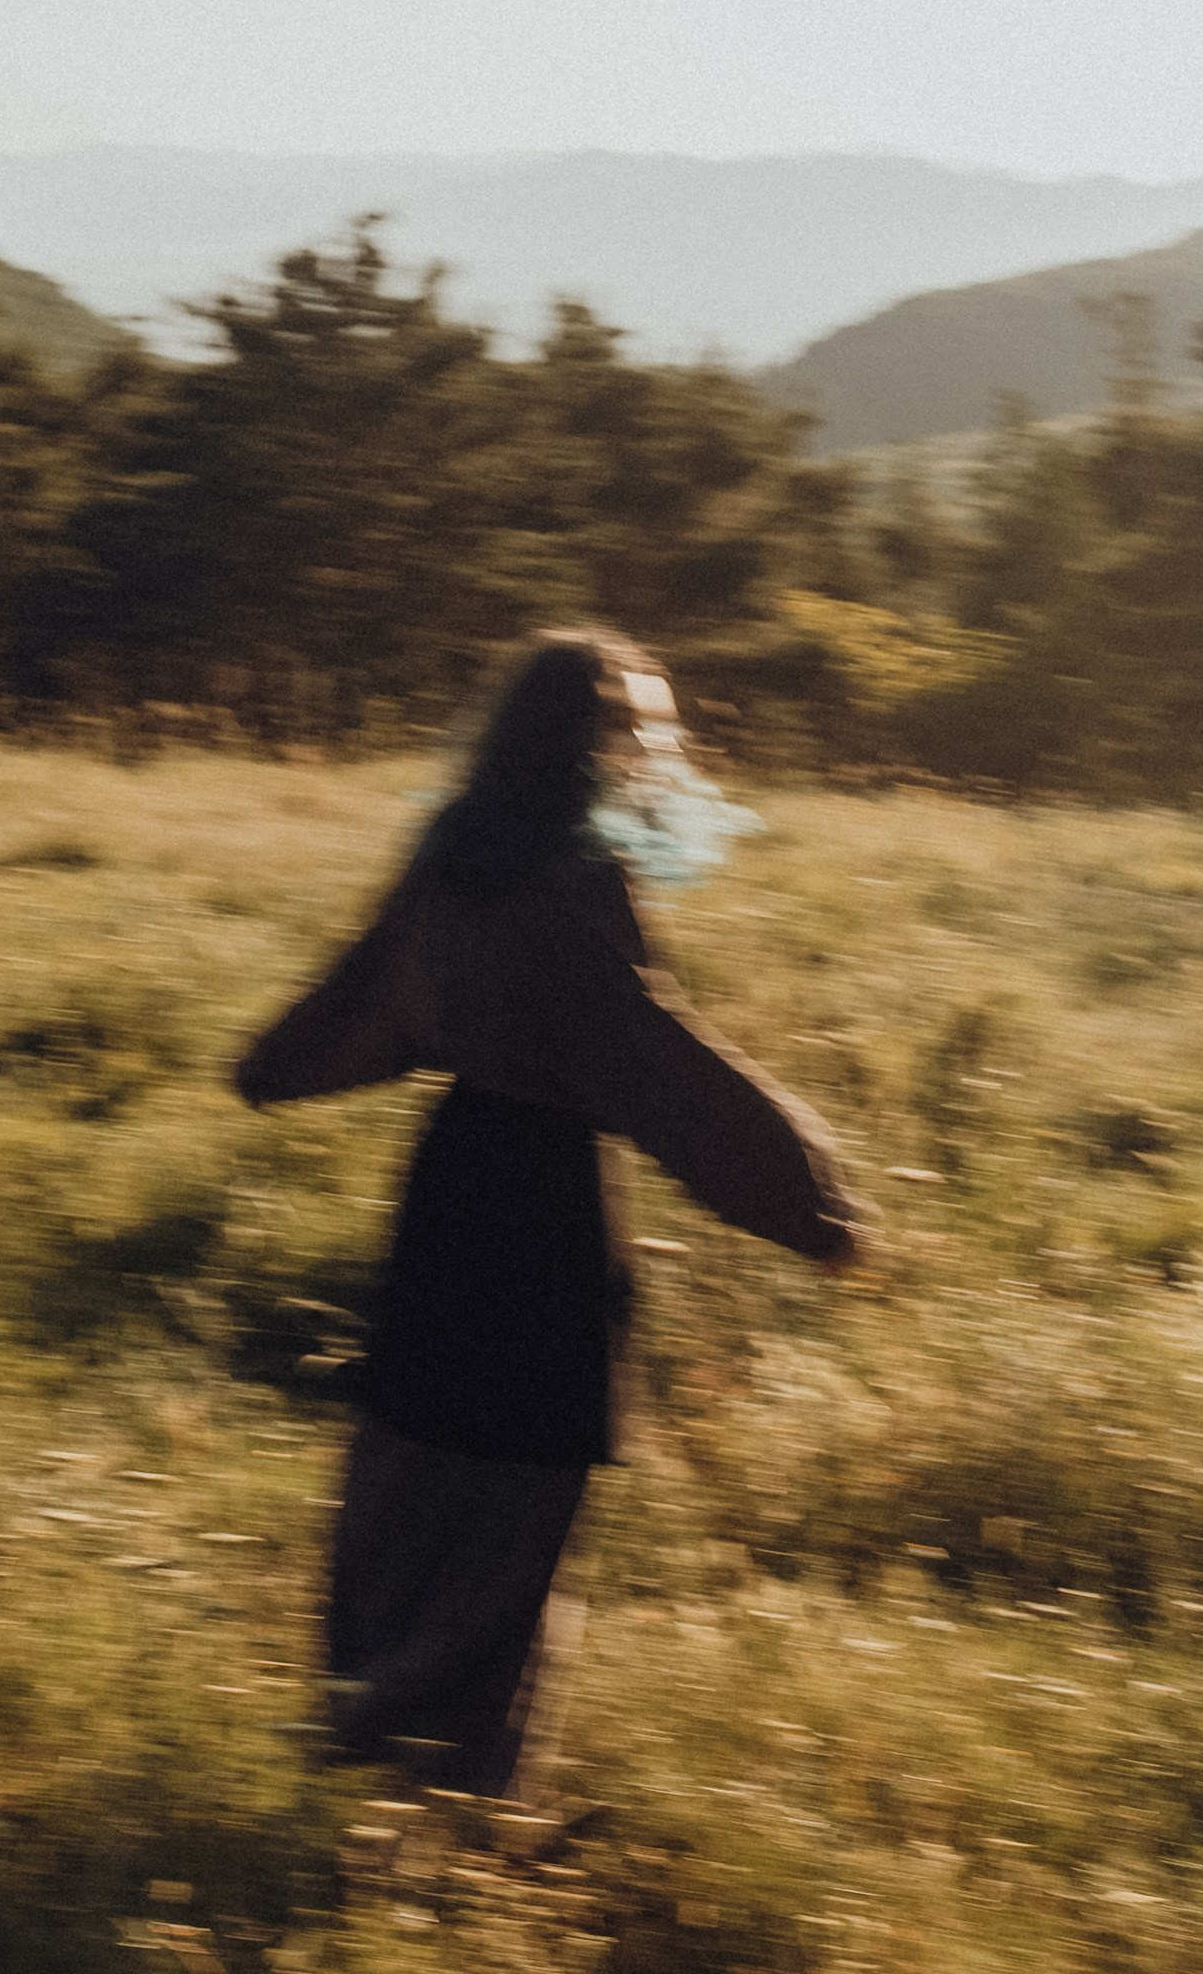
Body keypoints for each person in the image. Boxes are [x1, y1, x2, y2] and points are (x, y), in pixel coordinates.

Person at [233, 628, 863, 1801]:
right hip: (546, 1204)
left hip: (448, 1186)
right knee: (515, 1506)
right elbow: (648, 1058)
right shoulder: (581, 879)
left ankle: (364, 1726)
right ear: (601, 741)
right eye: (634, 728)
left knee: (409, 1467)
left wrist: (272, 1062)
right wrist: (810, 1201)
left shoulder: (452, 848)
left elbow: (367, 991)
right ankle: (455, 1788)